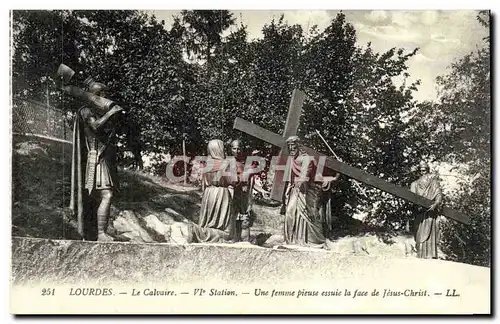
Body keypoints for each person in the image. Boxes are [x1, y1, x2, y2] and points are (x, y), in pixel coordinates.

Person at [68, 77, 123, 242]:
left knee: (100, 197)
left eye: (105, 93)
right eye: (100, 93)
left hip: (104, 157)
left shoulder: (97, 111)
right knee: (107, 194)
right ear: (92, 95)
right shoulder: (86, 111)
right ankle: (100, 234)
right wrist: (111, 113)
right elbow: (95, 126)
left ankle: (98, 232)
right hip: (96, 158)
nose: (104, 96)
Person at [283, 136, 339, 248]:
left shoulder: (307, 159)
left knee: (308, 215)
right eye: (289, 147)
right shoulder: (292, 159)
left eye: (293, 146)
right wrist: (289, 187)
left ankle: (314, 240)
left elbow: (305, 174)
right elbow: (291, 176)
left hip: (306, 190)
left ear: (298, 146)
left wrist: (300, 182)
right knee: (289, 212)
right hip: (296, 189)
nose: (291, 149)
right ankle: (291, 240)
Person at [197, 139, 234, 241]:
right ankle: (219, 234)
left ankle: (206, 232)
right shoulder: (225, 163)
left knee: (207, 218)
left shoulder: (207, 164)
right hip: (221, 193)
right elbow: (231, 180)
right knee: (222, 221)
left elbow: (203, 182)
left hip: (208, 193)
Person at [410, 161, 443, 259]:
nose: (422, 172)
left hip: (430, 212)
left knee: (430, 233)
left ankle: (431, 254)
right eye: (421, 170)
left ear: (428, 170)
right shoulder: (414, 184)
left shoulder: (433, 182)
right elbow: (412, 198)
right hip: (420, 213)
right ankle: (420, 254)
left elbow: (438, 194)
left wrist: (436, 204)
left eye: (424, 170)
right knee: (419, 233)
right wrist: (415, 205)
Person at [228, 139, 256, 242]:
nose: (236, 151)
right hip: (232, 192)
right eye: (234, 148)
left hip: (243, 193)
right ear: (231, 149)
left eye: (239, 148)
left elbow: (248, 180)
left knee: (244, 216)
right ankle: (233, 237)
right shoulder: (228, 162)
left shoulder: (245, 163)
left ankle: (244, 239)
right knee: (233, 215)